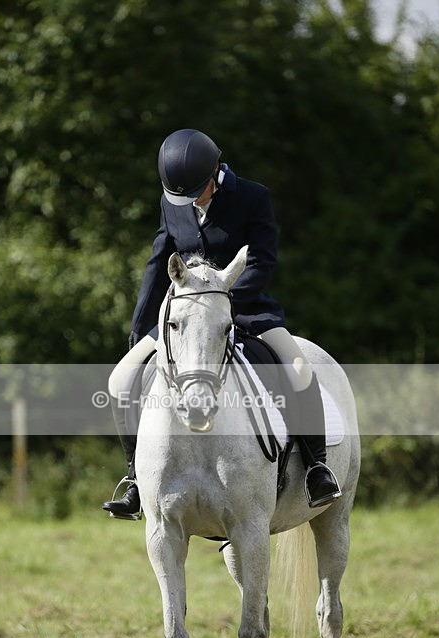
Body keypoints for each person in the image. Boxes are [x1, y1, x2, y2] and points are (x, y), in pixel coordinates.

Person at [102, 128, 341, 518]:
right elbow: (158, 260)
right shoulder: (172, 201)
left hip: (245, 307)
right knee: (119, 379)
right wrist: (140, 324)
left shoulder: (252, 196)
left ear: (216, 169)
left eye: (198, 190)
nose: (191, 200)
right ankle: (133, 478)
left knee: (298, 371)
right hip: (184, 317)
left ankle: (317, 467)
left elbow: (262, 259)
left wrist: (226, 300)